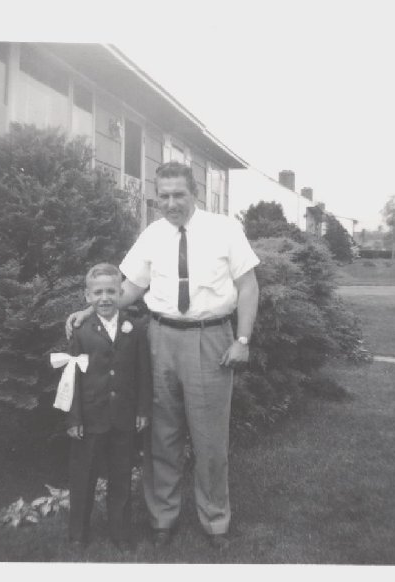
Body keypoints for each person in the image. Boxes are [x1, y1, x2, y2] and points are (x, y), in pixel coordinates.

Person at [66, 161, 259, 551]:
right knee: (161, 436)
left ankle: (215, 520)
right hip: (159, 339)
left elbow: (248, 285)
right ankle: (162, 518)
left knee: (209, 438)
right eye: (164, 196)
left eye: (179, 195)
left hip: (211, 340)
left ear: (195, 194)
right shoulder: (153, 234)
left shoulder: (225, 230)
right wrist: (92, 309)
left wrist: (243, 339)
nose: (171, 203)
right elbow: (130, 287)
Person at [64, 263, 152, 550]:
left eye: (111, 291)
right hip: (89, 416)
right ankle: (78, 534)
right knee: (83, 476)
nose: (105, 298)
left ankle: (121, 534)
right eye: (98, 292)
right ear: (87, 296)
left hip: (123, 416)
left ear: (120, 293)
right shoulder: (80, 330)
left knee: (121, 476)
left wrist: (141, 410)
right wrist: (74, 417)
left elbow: (143, 373)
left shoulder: (135, 328)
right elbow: (71, 377)